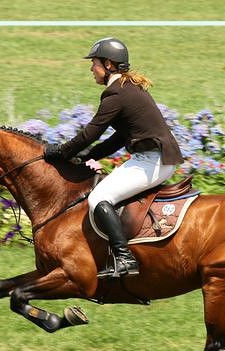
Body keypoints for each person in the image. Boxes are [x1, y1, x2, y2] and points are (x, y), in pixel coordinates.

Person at [43, 37, 183, 278]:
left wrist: (61, 152)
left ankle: (125, 258)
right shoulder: (127, 88)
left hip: (153, 161)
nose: (91, 69)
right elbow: (119, 138)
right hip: (155, 158)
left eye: (94, 63)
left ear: (108, 64)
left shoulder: (116, 94)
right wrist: (88, 155)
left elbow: (90, 133)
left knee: (99, 197)